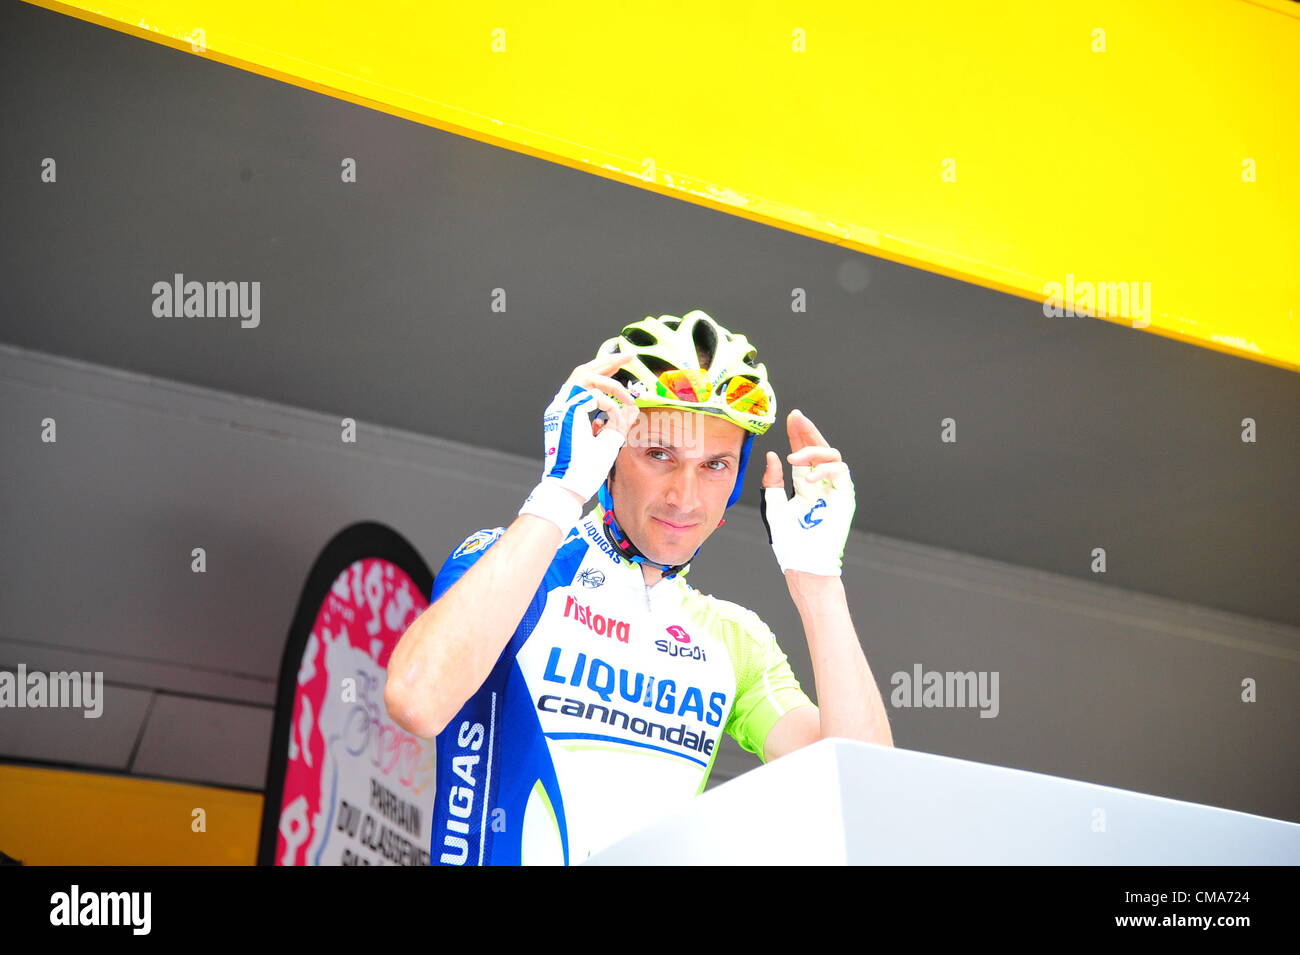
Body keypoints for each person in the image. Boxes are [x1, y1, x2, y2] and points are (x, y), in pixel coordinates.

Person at [385, 309, 893, 865]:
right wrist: (560, 491)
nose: (685, 496)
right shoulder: (514, 568)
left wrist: (819, 581)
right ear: (610, 455)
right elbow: (416, 700)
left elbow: (866, 801)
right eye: (659, 455)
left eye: (716, 465)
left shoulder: (734, 639)